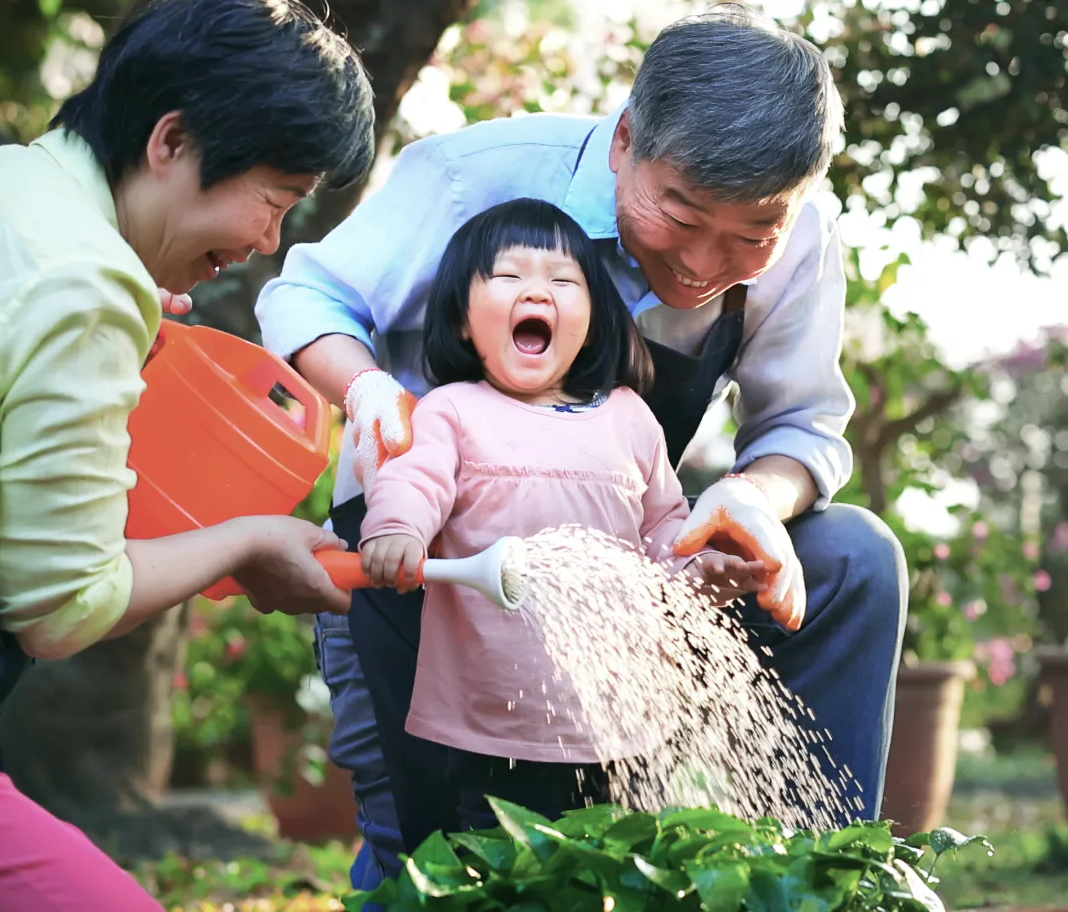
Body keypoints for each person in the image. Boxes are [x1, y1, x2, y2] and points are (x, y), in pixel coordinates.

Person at [256, 4, 907, 888]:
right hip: (427, 568)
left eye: (753, 234)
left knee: (853, 557)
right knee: (433, 853)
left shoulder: (804, 235)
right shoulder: (471, 178)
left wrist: (755, 498)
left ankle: (813, 883)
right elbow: (307, 298)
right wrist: (371, 391)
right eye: (680, 213)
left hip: (629, 574)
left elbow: (800, 427)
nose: (706, 265)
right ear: (626, 139)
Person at [0, 1, 373, 909]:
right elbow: (62, 607)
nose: (268, 241)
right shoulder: (86, 277)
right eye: (273, 201)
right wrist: (243, 542)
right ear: (171, 140)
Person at [357, 198, 763, 828]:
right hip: (493, 722)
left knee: (608, 868)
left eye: (563, 282)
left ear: (593, 319)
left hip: (618, 716)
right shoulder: (453, 411)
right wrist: (396, 529)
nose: (537, 291)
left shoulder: (628, 416)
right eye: (509, 276)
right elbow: (413, 480)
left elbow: (661, 529)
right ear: (463, 321)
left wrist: (699, 570)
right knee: (502, 873)